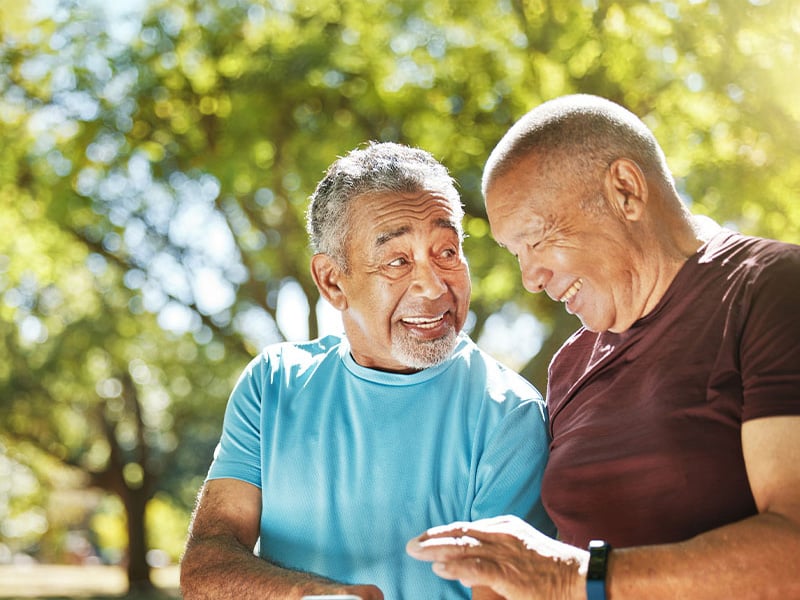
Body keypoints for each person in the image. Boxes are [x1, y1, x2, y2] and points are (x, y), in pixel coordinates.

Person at [406, 94, 800, 599]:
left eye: (536, 239)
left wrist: (571, 576)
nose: (531, 278)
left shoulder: (771, 289)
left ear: (625, 191)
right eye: (516, 253)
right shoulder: (569, 365)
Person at [180, 141, 555, 600]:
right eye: (398, 261)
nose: (433, 286)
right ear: (332, 282)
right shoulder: (272, 384)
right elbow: (206, 566)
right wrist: (319, 597)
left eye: (447, 251)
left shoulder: (510, 414)